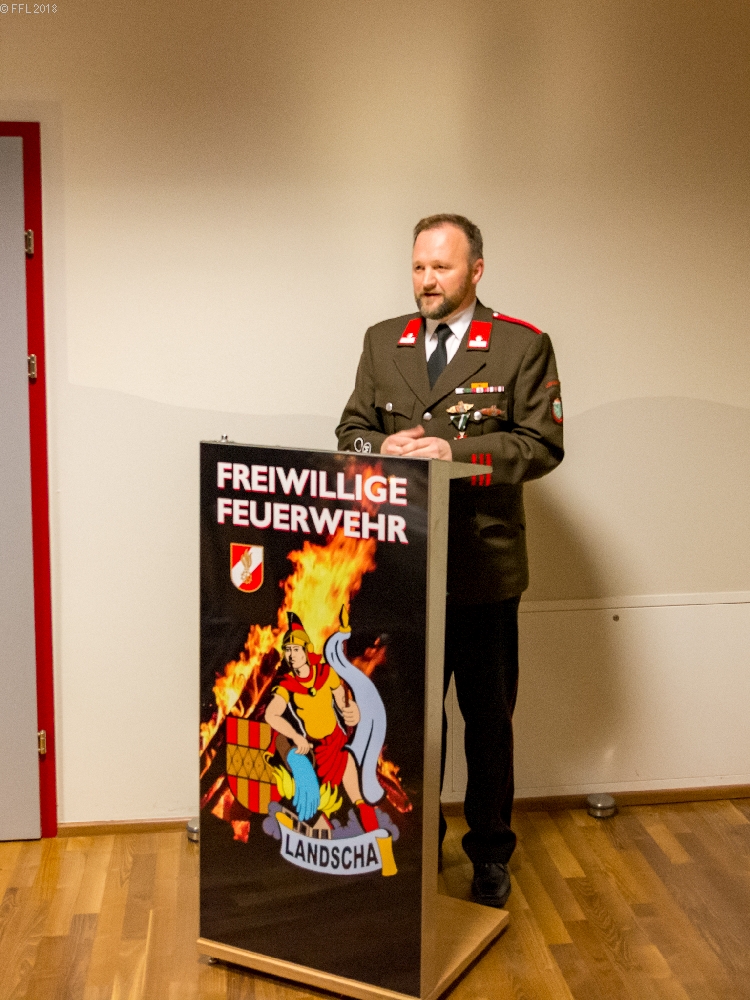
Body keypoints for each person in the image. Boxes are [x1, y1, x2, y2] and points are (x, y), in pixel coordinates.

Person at [335, 214, 564, 907]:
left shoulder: (521, 345)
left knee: (487, 723)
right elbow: (350, 429)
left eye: (441, 267)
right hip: (400, 570)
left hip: (483, 570)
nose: (427, 281)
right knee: (405, 722)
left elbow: (541, 446)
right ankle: (416, 846)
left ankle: (490, 854)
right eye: (418, 267)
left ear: (476, 270)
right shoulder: (383, 341)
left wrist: (454, 453)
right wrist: (381, 448)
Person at [265, 612, 379, 833]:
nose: (292, 655)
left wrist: (352, 711)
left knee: (358, 797)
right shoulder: (288, 685)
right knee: (309, 795)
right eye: (288, 651)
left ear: (306, 650)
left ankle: (376, 839)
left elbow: (342, 700)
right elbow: (271, 715)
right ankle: (315, 834)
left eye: (296, 650)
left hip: (337, 744)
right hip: (313, 749)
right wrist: (296, 737)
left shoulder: (326, 674)